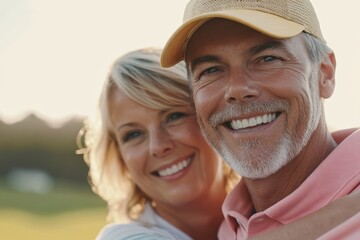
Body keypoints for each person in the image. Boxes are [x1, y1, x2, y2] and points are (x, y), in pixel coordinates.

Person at [160, 0, 360, 239]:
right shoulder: (228, 228)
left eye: (268, 59)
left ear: (325, 74)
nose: (237, 88)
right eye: (211, 70)